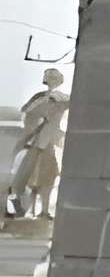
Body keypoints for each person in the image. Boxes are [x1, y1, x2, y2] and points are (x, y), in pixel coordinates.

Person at [6, 68, 67, 223]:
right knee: (28, 178)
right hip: (37, 143)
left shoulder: (61, 99)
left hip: (47, 143)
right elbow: (27, 111)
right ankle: (26, 210)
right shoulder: (40, 98)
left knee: (46, 178)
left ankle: (42, 211)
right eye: (50, 78)